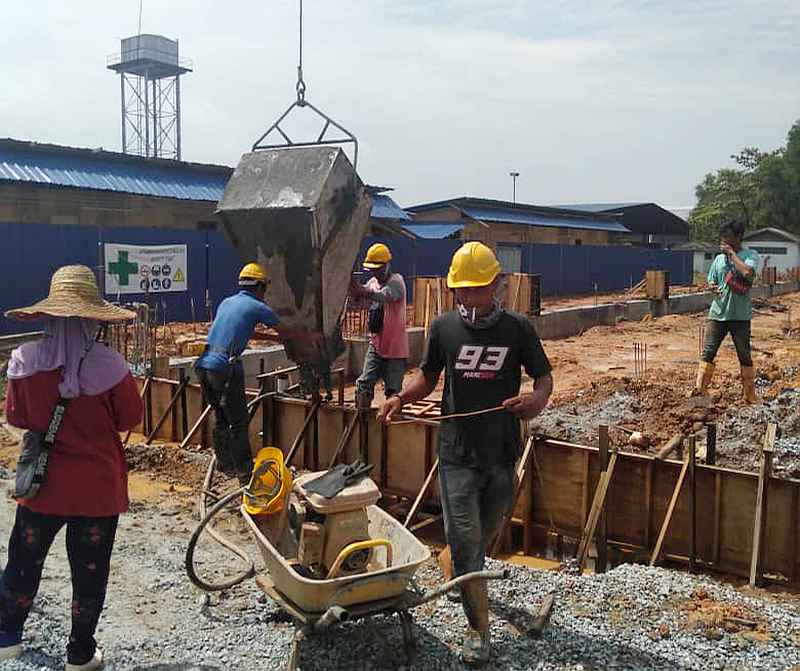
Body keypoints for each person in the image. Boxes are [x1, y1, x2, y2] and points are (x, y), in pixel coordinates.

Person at [377, 242, 553, 667]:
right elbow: (429, 376)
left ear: (495, 285)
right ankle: (478, 631)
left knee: (484, 535)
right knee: (470, 544)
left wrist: (534, 402)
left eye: (476, 290)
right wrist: (401, 397)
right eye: (461, 291)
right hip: (456, 453)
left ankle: (452, 559)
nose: (468, 299)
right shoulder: (443, 328)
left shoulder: (517, 329)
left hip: (500, 453)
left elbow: (544, 378)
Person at [0, 265, 143, 669]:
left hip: (43, 488)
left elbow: (17, 417)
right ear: (93, 318)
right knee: (90, 572)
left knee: (24, 560)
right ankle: (80, 655)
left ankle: (6, 638)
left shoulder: (24, 361)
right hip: (98, 490)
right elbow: (128, 418)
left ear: (49, 314)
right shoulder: (112, 366)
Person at [195, 263, 320, 482]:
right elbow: (287, 330)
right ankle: (244, 470)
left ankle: (225, 464)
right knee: (239, 420)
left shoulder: (228, 302)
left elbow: (244, 330)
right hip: (225, 367)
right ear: (260, 287)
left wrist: (274, 340)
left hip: (204, 366)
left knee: (222, 417)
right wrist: (311, 337)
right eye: (265, 289)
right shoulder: (257, 306)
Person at [690, 221, 760, 402]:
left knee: (744, 354)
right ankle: (700, 391)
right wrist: (712, 286)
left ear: (739, 237)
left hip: (740, 316)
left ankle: (749, 396)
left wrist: (732, 255)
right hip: (718, 313)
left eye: (728, 237)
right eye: (723, 237)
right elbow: (711, 280)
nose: (725, 240)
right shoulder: (718, 260)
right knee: (708, 352)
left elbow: (748, 273)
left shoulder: (750, 255)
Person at [350, 243, 409, 409]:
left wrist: (361, 291)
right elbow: (361, 300)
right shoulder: (372, 283)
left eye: (378, 269)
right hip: (376, 347)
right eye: (373, 269)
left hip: (395, 351)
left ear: (387, 265)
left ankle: (391, 425)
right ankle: (361, 419)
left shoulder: (397, 282)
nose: (375, 272)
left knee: (393, 392)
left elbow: (385, 296)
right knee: (364, 384)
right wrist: (353, 291)